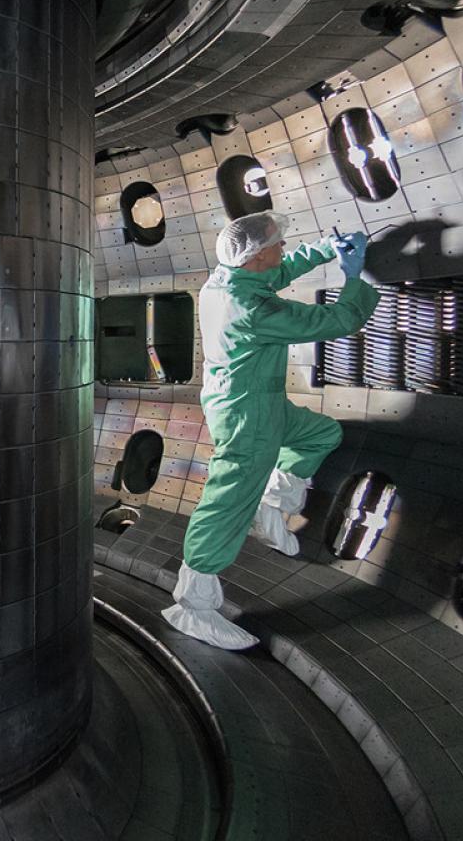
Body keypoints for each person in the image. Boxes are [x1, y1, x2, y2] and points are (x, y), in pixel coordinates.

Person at [162, 211, 379, 649]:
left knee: (321, 434)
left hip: (252, 399)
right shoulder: (254, 308)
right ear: (257, 254)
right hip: (247, 416)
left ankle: (272, 501)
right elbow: (336, 322)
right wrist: (353, 276)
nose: (284, 248)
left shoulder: (225, 280)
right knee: (225, 505)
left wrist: (324, 249)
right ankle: (193, 606)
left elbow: (278, 270)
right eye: (279, 243)